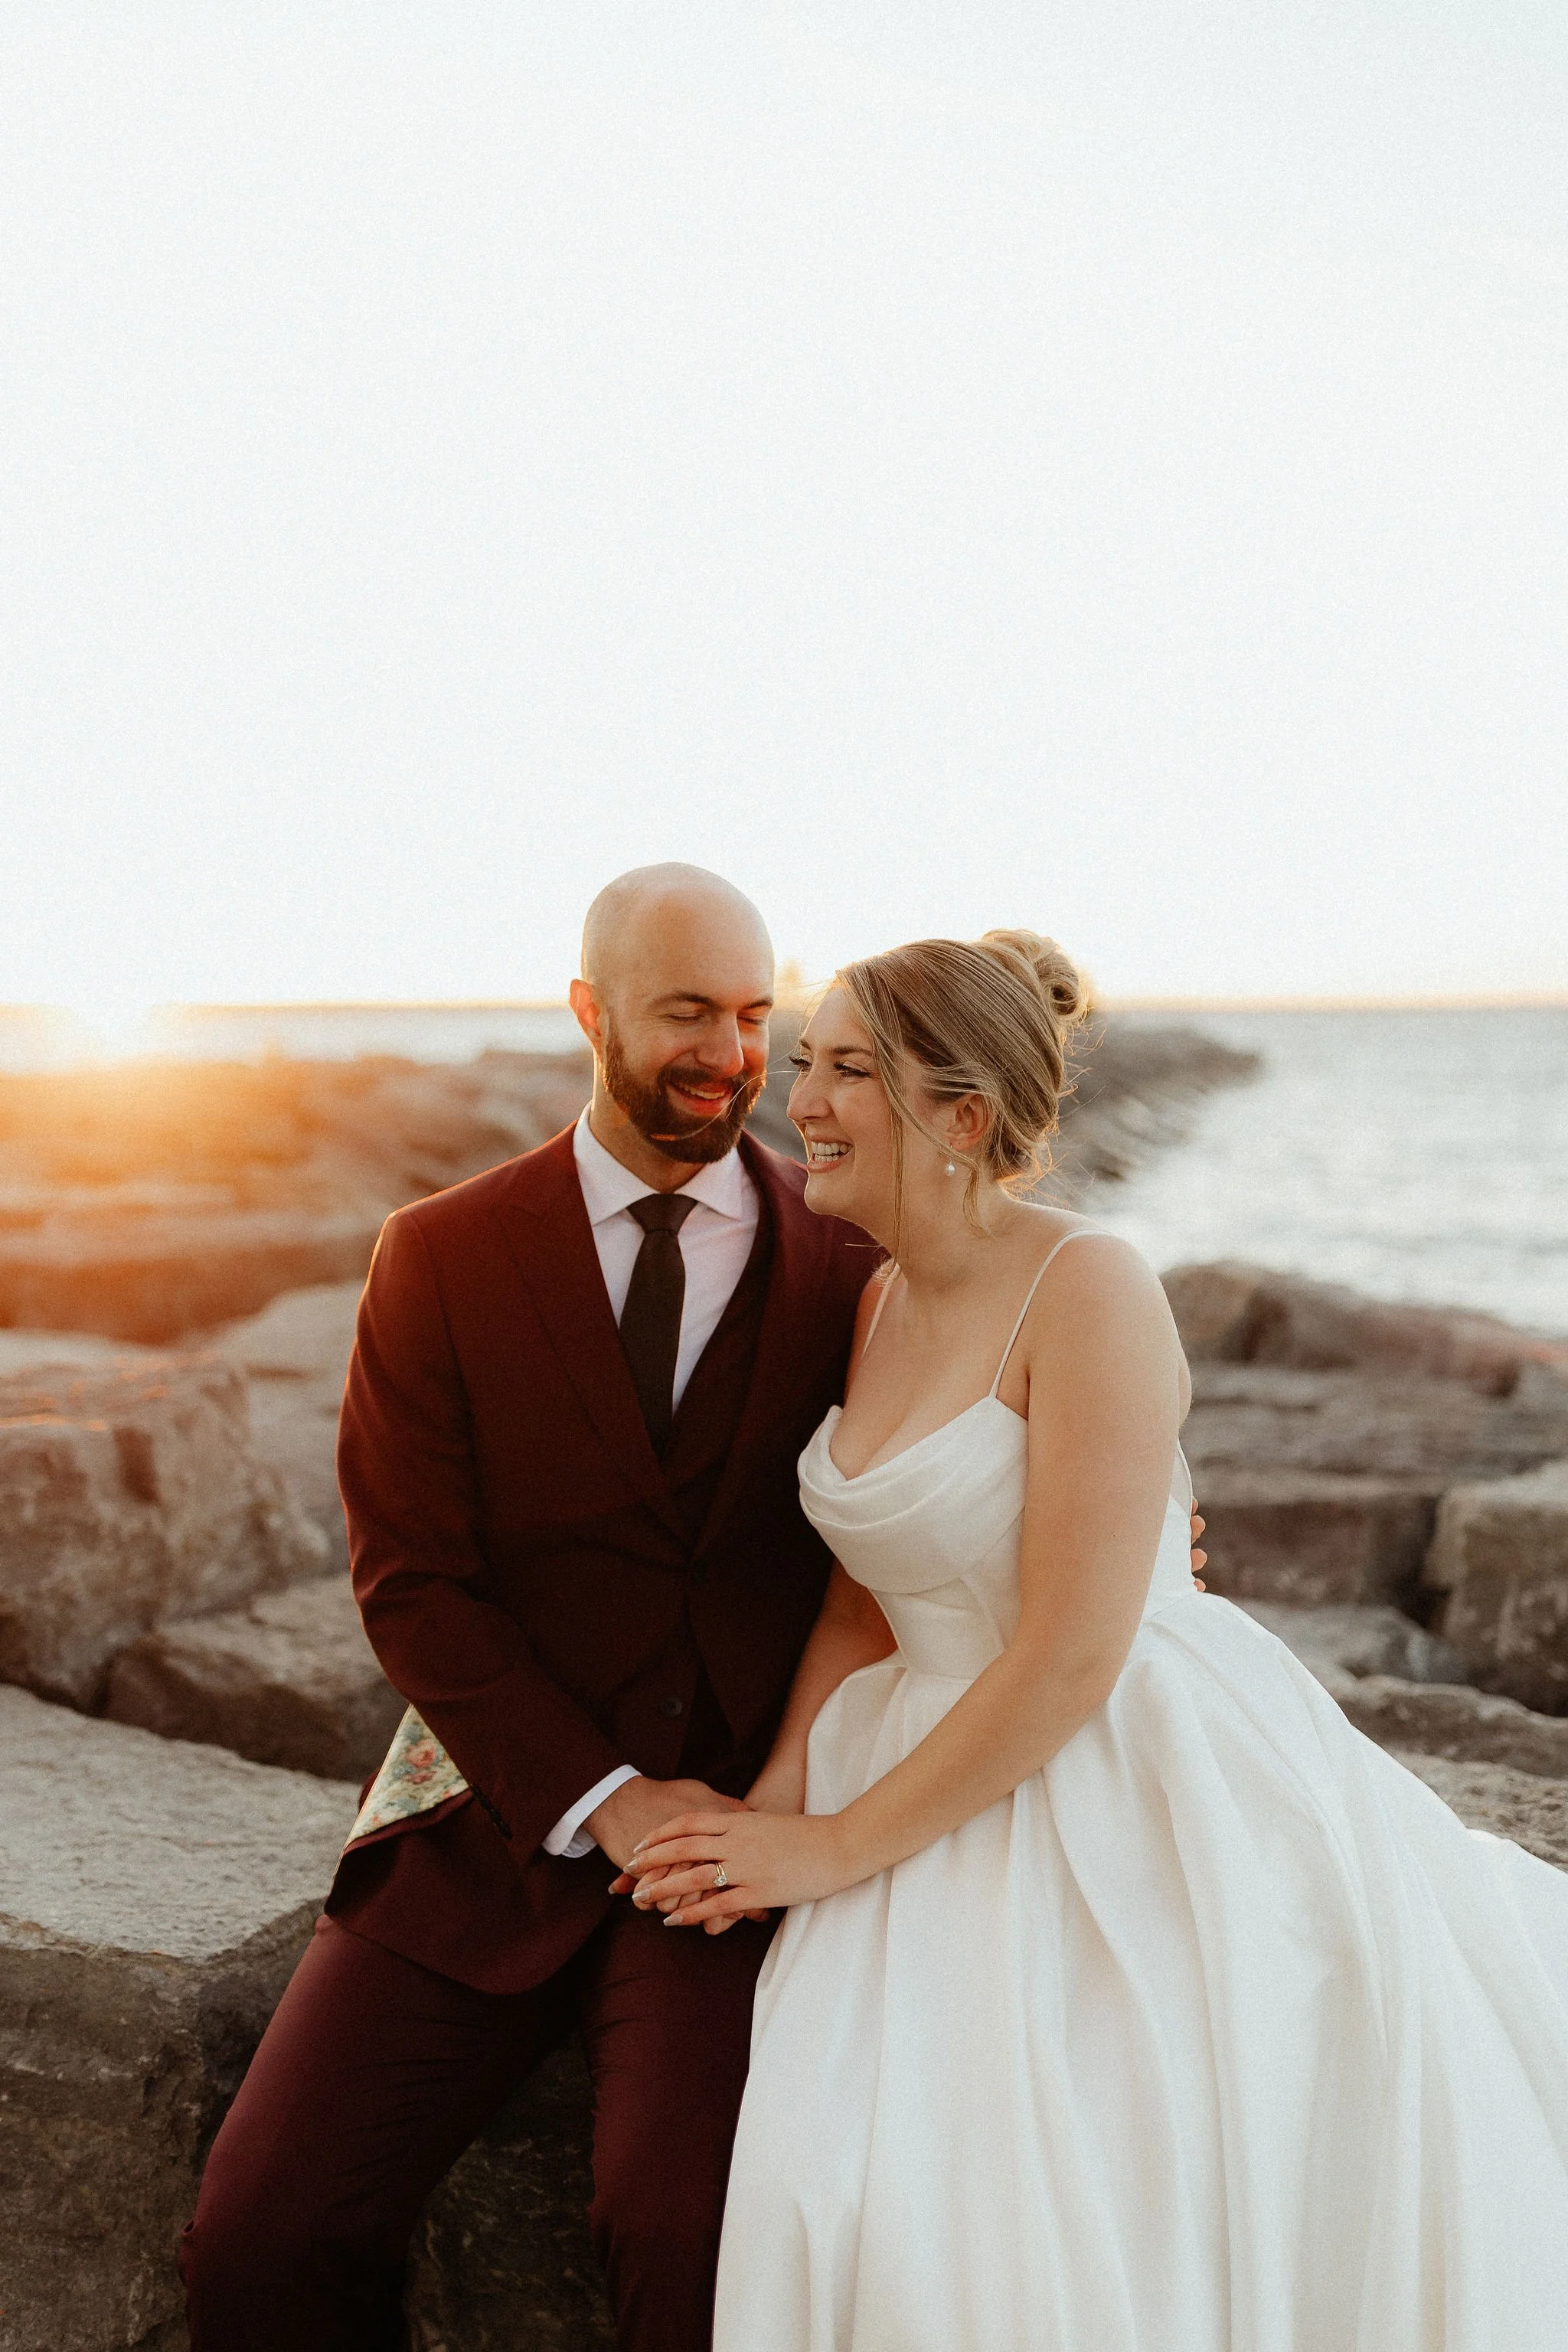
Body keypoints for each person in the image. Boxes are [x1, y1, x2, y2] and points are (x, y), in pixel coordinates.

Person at [627, 928, 1568, 2352]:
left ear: (962, 1117)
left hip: (1117, 1753)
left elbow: (1073, 1651)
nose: (798, 1099)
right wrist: (770, 1813)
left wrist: (834, 1849)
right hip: (912, 1740)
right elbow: (861, 1602)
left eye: (849, 1071)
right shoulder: (876, 1295)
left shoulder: (1091, 1286)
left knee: (1075, 2183)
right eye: (808, 1063)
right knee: (834, 2165)